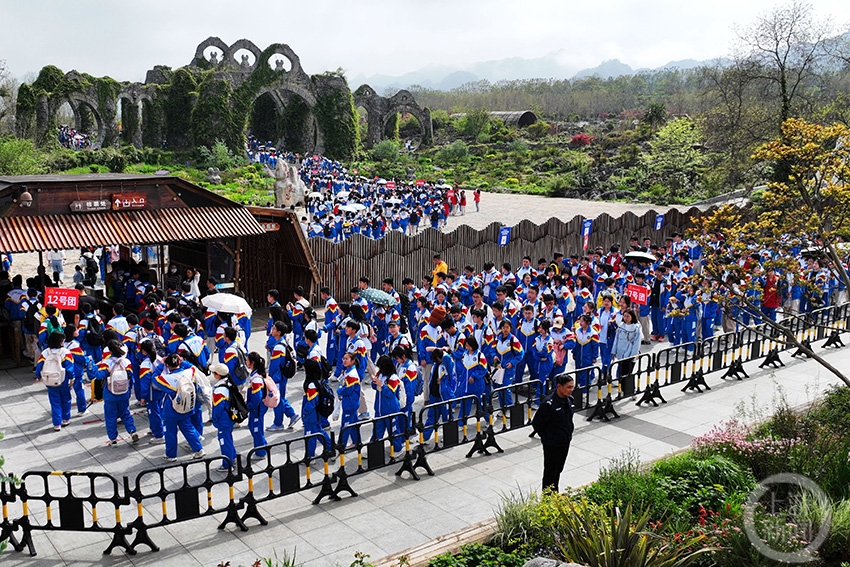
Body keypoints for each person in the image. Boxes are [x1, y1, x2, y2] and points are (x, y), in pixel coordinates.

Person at [154, 353, 206, 462]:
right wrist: (183, 362)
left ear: (168, 365)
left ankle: (171, 455)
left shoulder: (167, 378)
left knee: (170, 433)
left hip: (171, 409)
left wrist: (161, 365)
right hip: (187, 406)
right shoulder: (189, 373)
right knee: (188, 428)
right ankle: (199, 449)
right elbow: (193, 367)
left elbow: (154, 379)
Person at [531, 373, 575, 492]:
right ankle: (548, 499)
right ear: (559, 386)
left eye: (572, 387)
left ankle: (555, 495)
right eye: (568, 387)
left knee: (558, 470)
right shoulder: (549, 404)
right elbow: (537, 424)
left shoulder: (569, 400)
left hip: (565, 441)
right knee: (550, 473)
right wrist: (548, 437)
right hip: (552, 444)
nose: (571, 390)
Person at [94, 340, 140, 445]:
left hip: (111, 393)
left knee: (110, 416)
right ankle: (132, 430)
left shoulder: (107, 362)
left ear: (109, 350)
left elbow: (98, 376)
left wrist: (91, 364)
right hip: (124, 392)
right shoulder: (126, 362)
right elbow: (130, 378)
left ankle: (113, 439)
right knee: (126, 413)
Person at [35, 331, 75, 431]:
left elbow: (39, 365)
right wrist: (72, 378)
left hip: (49, 379)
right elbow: (69, 367)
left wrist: (37, 376)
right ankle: (65, 419)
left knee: (54, 401)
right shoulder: (65, 352)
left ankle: (57, 424)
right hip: (63, 379)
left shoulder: (45, 352)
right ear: (61, 341)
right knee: (66, 399)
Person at [267, 321, 300, 431]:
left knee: (277, 399)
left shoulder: (278, 347)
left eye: (274, 328)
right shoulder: (282, 343)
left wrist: (269, 376)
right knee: (280, 397)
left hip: (277, 377)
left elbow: (275, 365)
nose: (272, 329)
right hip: (281, 376)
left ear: (279, 332)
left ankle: (278, 423)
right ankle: (292, 415)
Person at [210, 363, 237, 472]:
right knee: (228, 439)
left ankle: (227, 464)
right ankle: (233, 457)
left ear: (217, 375)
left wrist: (215, 419)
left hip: (223, 419)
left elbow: (218, 408)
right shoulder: (228, 383)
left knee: (224, 442)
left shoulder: (219, 390)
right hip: (229, 417)